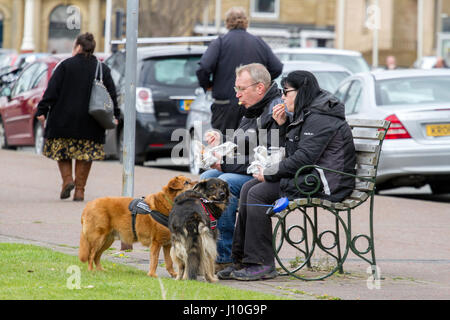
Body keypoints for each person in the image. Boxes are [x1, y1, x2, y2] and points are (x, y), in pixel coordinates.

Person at [219, 70, 357, 281]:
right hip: (309, 177)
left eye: (286, 91)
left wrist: (270, 173)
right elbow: (292, 152)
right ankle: (240, 259)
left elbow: (303, 158)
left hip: (326, 182)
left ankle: (261, 263)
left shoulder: (321, 118)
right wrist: (283, 127)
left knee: (258, 194)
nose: (282, 97)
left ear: (301, 91)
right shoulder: (308, 113)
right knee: (248, 189)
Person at [200, 63, 283, 272]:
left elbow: (263, 159)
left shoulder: (275, 111)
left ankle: (225, 255)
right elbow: (242, 144)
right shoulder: (252, 109)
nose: (237, 95)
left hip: (270, 176)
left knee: (222, 183)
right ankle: (211, 250)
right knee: (207, 177)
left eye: (241, 89)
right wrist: (222, 139)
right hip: (250, 171)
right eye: (236, 89)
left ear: (260, 88)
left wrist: (225, 162)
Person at [36, 33, 119, 202]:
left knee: (63, 152)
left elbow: (52, 91)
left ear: (79, 47)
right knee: (85, 155)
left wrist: (42, 110)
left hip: (63, 120)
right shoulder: (102, 68)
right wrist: (115, 114)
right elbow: (112, 95)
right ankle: (80, 190)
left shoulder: (65, 66)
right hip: (91, 121)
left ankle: (67, 180)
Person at [196, 6, 283, 137]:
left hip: (225, 107)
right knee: (252, 146)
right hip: (254, 106)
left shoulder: (220, 42)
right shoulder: (258, 42)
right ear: (246, 22)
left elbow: (204, 68)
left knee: (224, 146)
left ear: (227, 22)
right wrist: (262, 83)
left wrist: (207, 85)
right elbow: (277, 68)